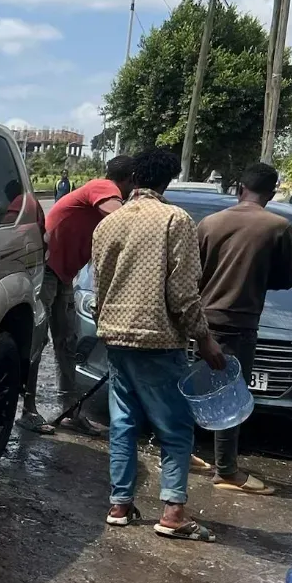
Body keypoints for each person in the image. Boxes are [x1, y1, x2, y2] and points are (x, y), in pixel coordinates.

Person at [90, 147, 226, 540]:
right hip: (159, 340)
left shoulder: (108, 225)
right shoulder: (175, 220)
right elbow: (184, 293)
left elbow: (99, 286)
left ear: (132, 178)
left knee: (123, 422)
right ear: (168, 180)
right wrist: (204, 338)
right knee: (176, 427)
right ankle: (173, 513)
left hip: (116, 336)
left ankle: (119, 505)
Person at [196, 162, 292, 495]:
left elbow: (191, 275)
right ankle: (226, 470)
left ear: (241, 188)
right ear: (272, 192)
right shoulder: (278, 226)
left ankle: (183, 453)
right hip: (239, 324)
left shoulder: (209, 223)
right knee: (230, 397)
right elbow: (287, 279)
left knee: (194, 388)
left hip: (200, 322)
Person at [20, 155, 136, 433]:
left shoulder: (108, 199)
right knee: (37, 342)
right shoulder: (104, 187)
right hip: (46, 269)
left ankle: (71, 411)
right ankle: (27, 411)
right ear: (129, 178)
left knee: (67, 343)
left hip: (63, 275)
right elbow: (124, 219)